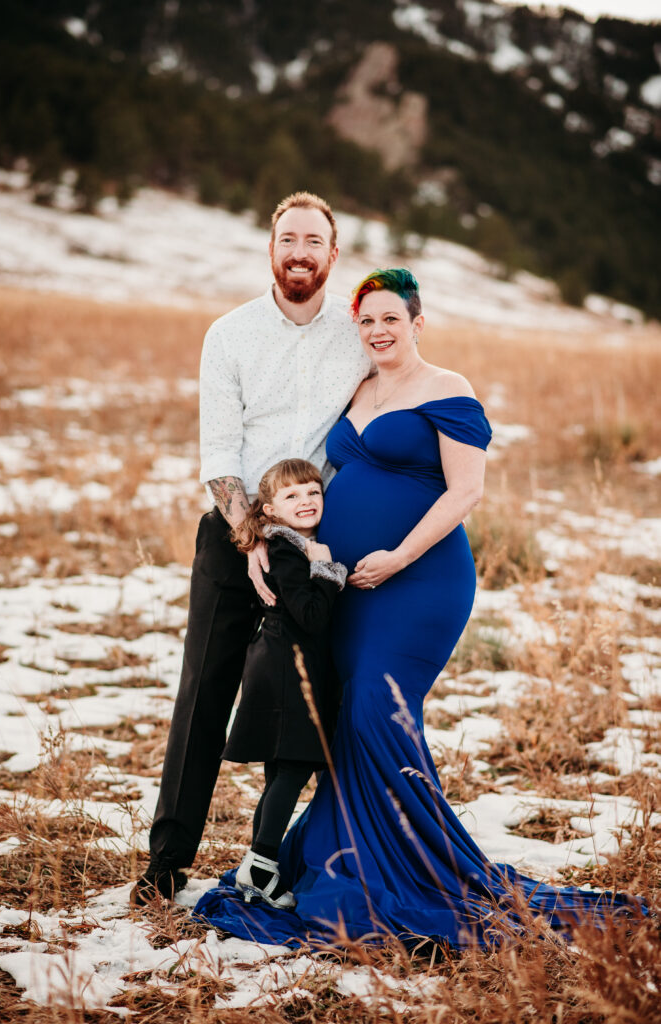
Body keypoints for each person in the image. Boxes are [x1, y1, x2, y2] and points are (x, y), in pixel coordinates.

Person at [193, 268, 641, 947]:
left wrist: (399, 556)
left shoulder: (448, 389)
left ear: (417, 322)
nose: (377, 332)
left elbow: (466, 493)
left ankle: (414, 874)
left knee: (378, 705)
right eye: (366, 321)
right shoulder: (360, 386)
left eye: (390, 320)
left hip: (420, 582)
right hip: (349, 592)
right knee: (351, 718)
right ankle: (353, 860)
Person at [131, 193, 371, 905]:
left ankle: (312, 858)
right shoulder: (229, 334)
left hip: (319, 548)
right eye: (288, 238)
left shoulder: (358, 335)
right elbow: (219, 453)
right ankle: (167, 862)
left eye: (314, 241)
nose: (300, 252)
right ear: (271, 248)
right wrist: (253, 536)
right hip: (232, 533)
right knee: (204, 690)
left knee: (322, 701)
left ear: (333, 255)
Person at [224, 458, 347, 909]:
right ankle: (260, 863)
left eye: (313, 492)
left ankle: (256, 866)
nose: (306, 501)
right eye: (292, 496)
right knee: (293, 769)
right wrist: (327, 569)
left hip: (279, 664)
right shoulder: (290, 552)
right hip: (285, 670)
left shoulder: (290, 545)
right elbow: (311, 616)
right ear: (270, 510)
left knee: (280, 772)